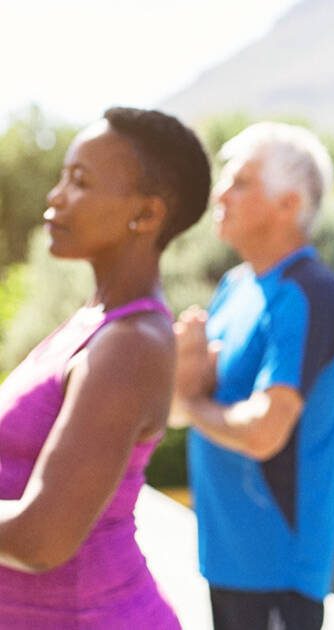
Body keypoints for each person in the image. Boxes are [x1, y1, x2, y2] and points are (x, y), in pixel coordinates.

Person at [0, 107, 211, 627]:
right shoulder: (93, 322)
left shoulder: (130, 343)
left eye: (80, 181)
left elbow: (42, 538)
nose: (55, 196)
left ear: (145, 215)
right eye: (62, 177)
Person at [170, 121, 334, 630]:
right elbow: (178, 408)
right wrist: (184, 376)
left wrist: (192, 402)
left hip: (278, 571)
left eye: (242, 182)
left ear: (290, 204)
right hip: (226, 560)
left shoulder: (310, 293)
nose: (220, 193)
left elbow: (263, 431)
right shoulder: (237, 287)